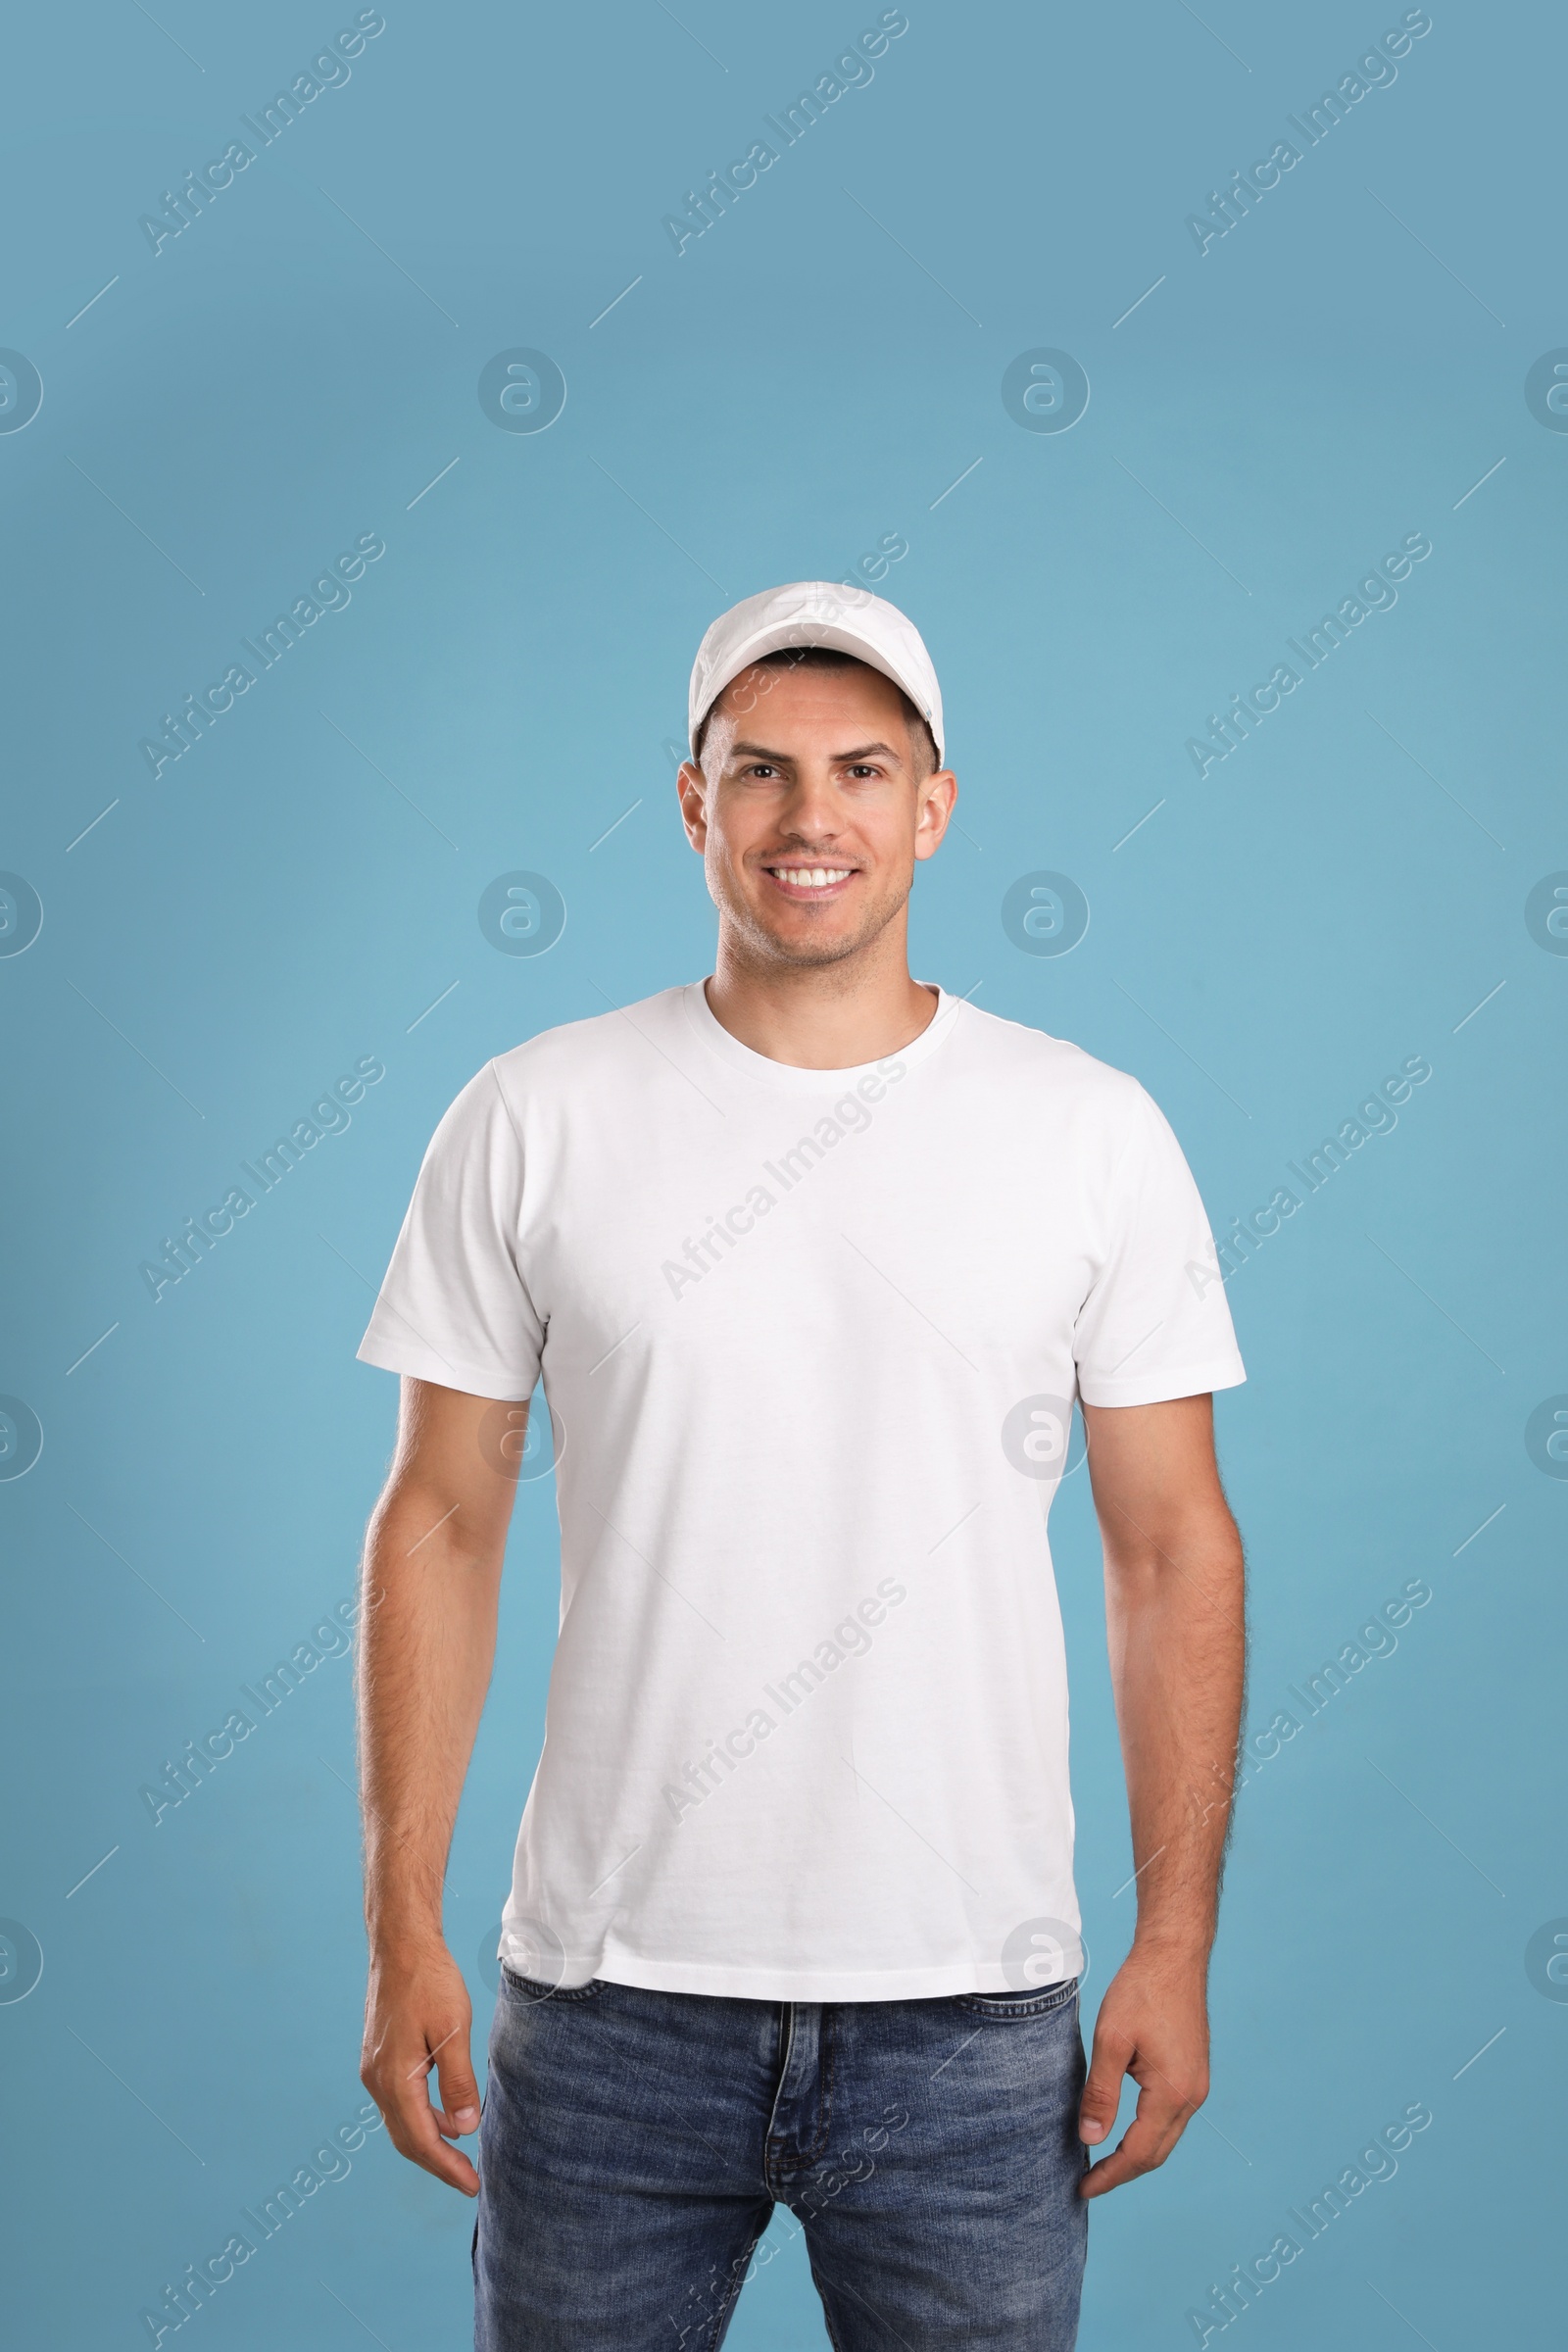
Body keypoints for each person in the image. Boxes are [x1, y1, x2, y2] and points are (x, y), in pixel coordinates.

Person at [354, 581, 1248, 2351]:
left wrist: (1176, 1945)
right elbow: (441, 1522)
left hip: (973, 2020)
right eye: (759, 771)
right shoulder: (534, 1115)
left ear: (934, 804)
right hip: (607, 2006)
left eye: (861, 768)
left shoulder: (1089, 1132)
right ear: (694, 805)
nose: (809, 818)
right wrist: (400, 1928)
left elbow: (1171, 1552)